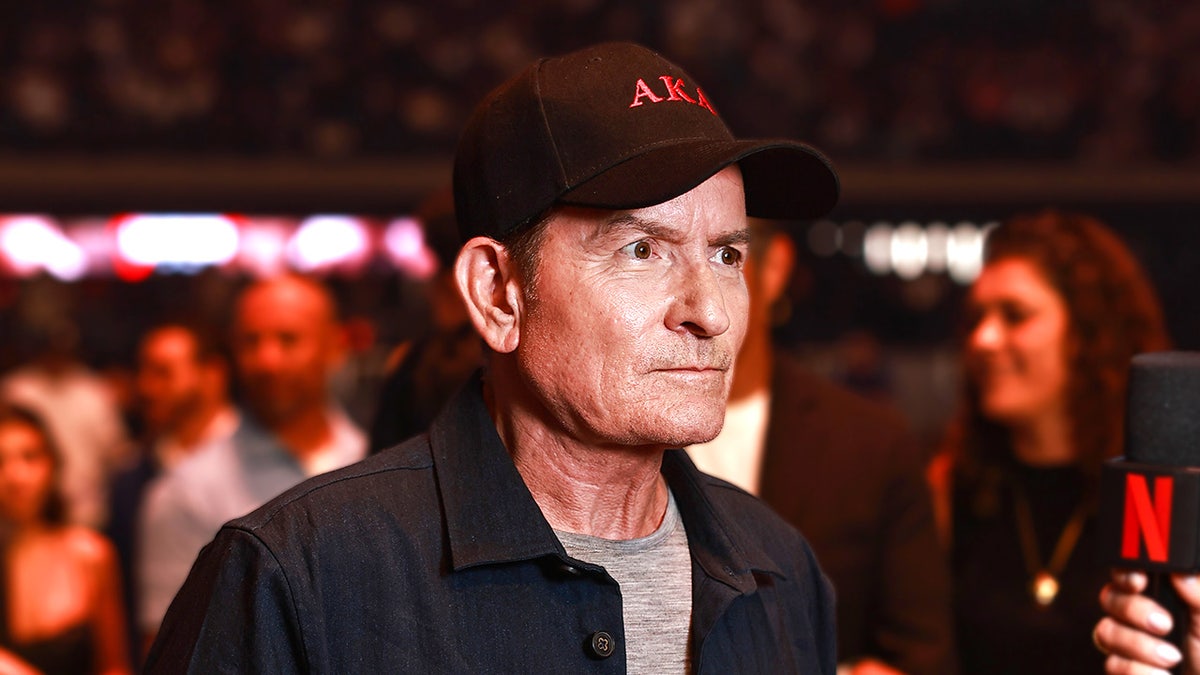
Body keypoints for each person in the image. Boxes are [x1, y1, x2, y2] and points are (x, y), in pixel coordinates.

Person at [144, 41, 841, 672]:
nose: (710, 310)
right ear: (498, 293)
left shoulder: (783, 571)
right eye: (642, 250)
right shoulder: (296, 577)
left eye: (727, 253)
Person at [686, 221, 954, 675]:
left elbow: (922, 651)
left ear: (775, 269)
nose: (696, 296)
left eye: (725, 256)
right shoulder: (613, 434)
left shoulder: (871, 443)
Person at [928, 209, 1170, 675]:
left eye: (1015, 316)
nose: (983, 339)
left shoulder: (1155, 490)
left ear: (1088, 334)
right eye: (977, 318)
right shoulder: (953, 487)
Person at [136, 273, 367, 644]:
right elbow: (170, 654)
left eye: (288, 339)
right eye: (250, 341)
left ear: (335, 347)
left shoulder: (373, 458)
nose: (267, 360)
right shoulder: (184, 491)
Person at [106, 321, 239, 665]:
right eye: (143, 372)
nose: (146, 387)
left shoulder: (253, 461)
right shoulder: (133, 475)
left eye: (163, 373)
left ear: (212, 374)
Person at [0, 403, 132, 675]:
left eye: (30, 457)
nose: (16, 476)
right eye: (0, 462)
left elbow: (114, 664)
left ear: (53, 463)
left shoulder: (89, 553)